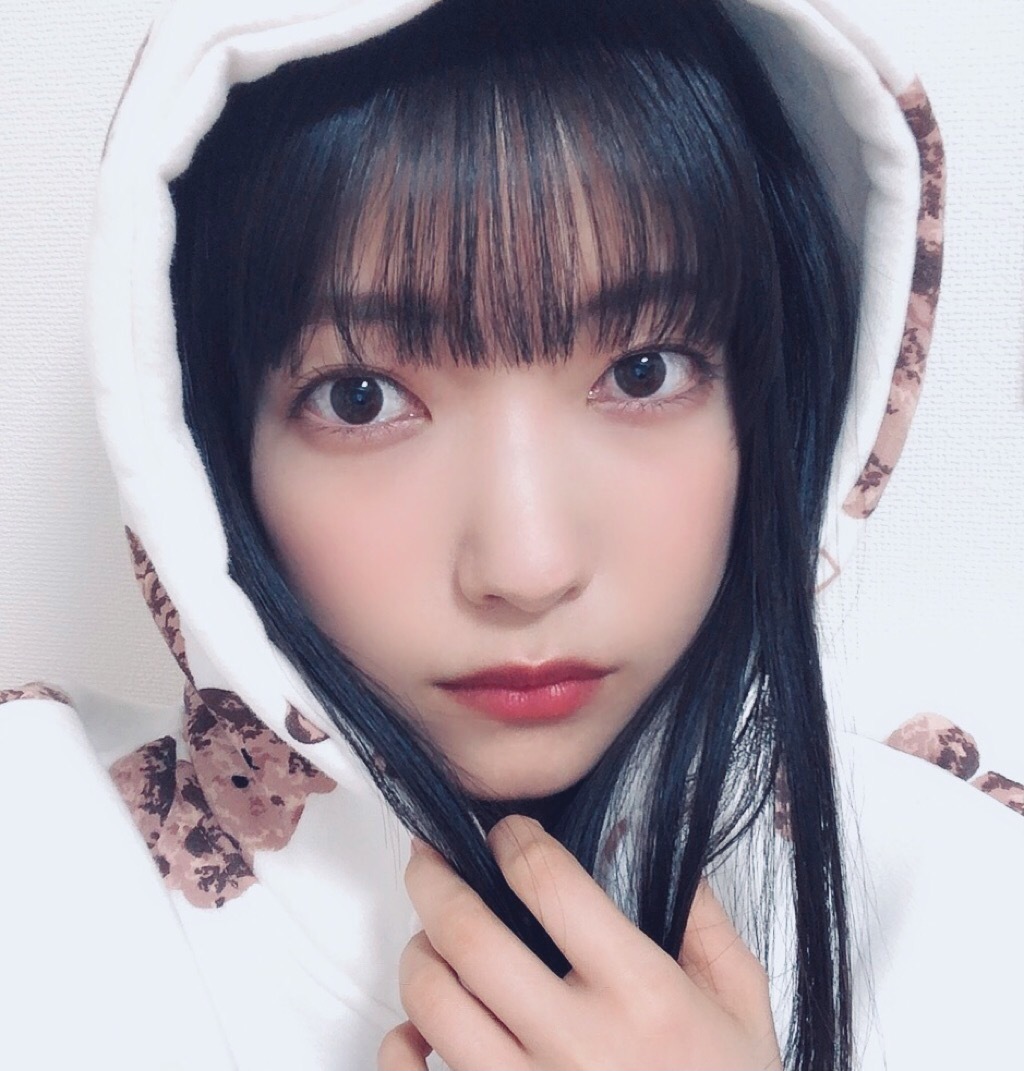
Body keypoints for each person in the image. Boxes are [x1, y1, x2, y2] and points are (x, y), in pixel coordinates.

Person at [0, 0, 1020, 1068]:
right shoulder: (42, 871)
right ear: (202, 441)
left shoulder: (972, 906)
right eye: (360, 397)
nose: (527, 568)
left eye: (643, 372)